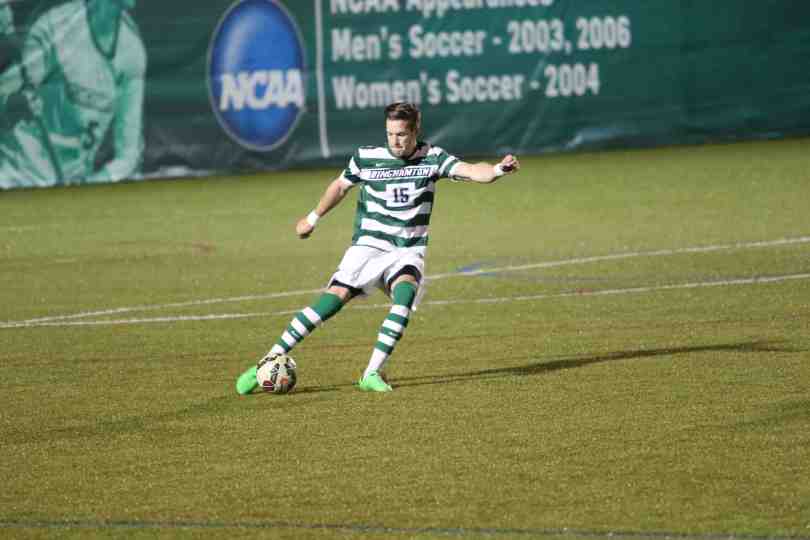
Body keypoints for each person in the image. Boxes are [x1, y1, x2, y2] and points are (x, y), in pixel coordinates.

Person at [236, 101, 520, 394]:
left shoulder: (432, 157)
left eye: (402, 134)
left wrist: (498, 169)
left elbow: (473, 170)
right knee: (332, 301)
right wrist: (312, 218)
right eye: (390, 134)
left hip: (408, 249)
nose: (395, 141)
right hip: (369, 245)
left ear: (415, 130)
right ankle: (265, 362)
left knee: (405, 296)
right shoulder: (366, 158)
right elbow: (340, 186)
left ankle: (371, 373)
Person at [0, 0, 145, 189]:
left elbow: (128, 155)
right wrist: (14, 102)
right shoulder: (54, 26)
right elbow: (9, 94)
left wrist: (92, 184)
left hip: (71, 186)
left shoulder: (132, 52)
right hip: (16, 174)